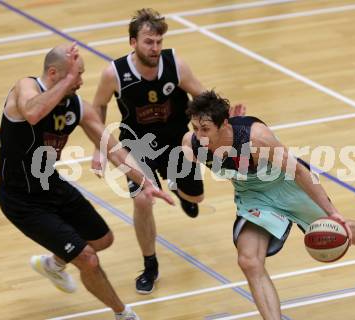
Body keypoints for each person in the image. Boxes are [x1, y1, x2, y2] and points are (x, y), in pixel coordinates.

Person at [182, 90, 355, 320]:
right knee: (248, 261)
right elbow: (186, 159)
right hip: (253, 196)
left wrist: (333, 213)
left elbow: (297, 171)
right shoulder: (194, 143)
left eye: (205, 129)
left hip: (288, 185)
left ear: (223, 124)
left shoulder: (257, 140)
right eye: (196, 128)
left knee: (340, 228)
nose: (200, 135)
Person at [0, 43, 174, 320]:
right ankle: (123, 314)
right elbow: (33, 113)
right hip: (21, 199)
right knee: (88, 259)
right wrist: (66, 81)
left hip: (50, 185)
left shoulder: (76, 106)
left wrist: (145, 182)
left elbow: (112, 147)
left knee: (102, 239)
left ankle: (53, 264)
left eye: (80, 75)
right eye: (75, 75)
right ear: (54, 73)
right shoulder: (25, 88)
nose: (80, 81)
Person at [91, 8, 244, 294]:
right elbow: (97, 106)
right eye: (149, 41)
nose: (155, 47)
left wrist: (228, 119)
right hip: (136, 145)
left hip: (177, 142)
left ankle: (176, 185)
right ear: (133, 42)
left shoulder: (176, 65)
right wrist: (99, 147)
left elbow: (202, 97)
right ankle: (150, 265)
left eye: (159, 41)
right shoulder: (114, 73)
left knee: (195, 197)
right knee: (142, 201)